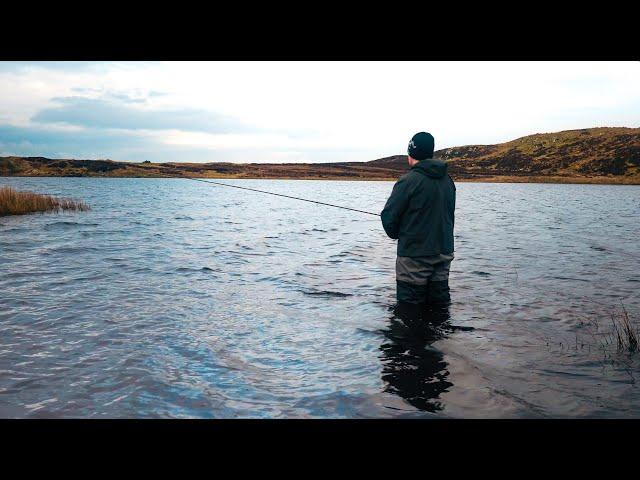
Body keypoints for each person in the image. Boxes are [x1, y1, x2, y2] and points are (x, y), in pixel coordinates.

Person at [381, 132, 456, 307]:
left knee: (409, 311)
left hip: (414, 256)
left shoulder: (408, 181)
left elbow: (389, 221)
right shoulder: (448, 180)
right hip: (444, 253)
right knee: (439, 307)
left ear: (411, 153)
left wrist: (401, 232)